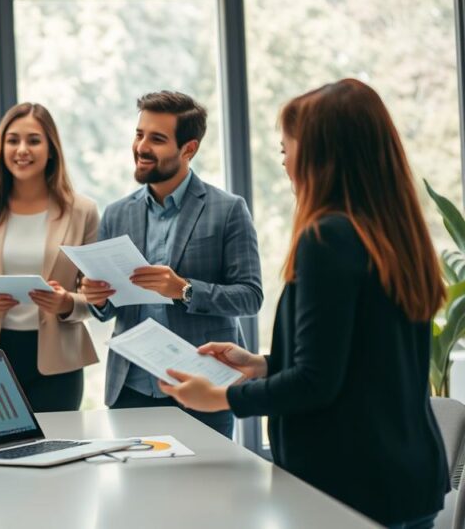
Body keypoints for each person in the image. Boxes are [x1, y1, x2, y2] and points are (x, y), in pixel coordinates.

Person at [159, 79, 450, 528]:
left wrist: (219, 396)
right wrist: (261, 365)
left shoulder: (327, 238)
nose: (284, 163)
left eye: (286, 149)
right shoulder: (396, 234)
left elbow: (316, 383)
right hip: (405, 483)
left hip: (346, 490)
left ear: (321, 155)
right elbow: (361, 363)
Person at [80, 91, 262, 437]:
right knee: (135, 492)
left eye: (157, 139)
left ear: (188, 149)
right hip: (131, 387)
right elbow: (106, 311)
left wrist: (185, 290)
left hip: (201, 386)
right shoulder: (117, 213)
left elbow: (250, 297)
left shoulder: (228, 210)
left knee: (205, 491)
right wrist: (97, 297)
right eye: (139, 134)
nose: (142, 147)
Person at [0, 102, 99, 412]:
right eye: (12, 140)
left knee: (57, 452)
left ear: (51, 149)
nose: (22, 149)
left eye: (33, 140)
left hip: (58, 364)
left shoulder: (82, 211)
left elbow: (97, 298)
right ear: (1, 148)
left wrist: (68, 303)